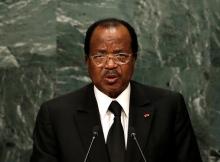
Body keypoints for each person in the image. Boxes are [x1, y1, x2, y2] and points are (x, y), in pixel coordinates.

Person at [30, 18, 202, 162]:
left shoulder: (168, 106)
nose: (110, 65)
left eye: (121, 56)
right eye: (100, 56)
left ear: (134, 59)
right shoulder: (56, 114)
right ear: (86, 61)